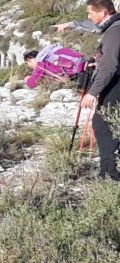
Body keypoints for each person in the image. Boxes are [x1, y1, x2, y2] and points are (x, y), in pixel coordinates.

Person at [79, 0, 120, 181]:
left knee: (104, 126)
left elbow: (110, 66)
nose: (89, 16)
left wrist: (92, 92)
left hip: (115, 85)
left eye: (90, 13)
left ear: (103, 12)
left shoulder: (114, 31)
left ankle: (110, 172)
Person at [24, 45, 88, 89]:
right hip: (83, 61)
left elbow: (32, 83)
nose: (29, 66)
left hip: (78, 71)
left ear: (30, 59)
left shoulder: (41, 63)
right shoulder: (51, 53)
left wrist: (27, 80)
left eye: (28, 63)